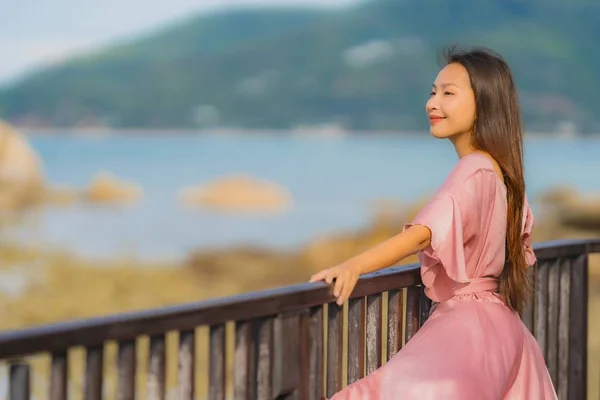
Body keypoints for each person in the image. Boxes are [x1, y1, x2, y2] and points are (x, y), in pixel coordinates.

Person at [309, 46, 558, 399]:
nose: (432, 103)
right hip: (503, 329)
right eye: (432, 91)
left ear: (484, 102)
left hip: (467, 329)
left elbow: (423, 233)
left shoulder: (473, 168)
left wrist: (354, 265)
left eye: (448, 93)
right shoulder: (501, 173)